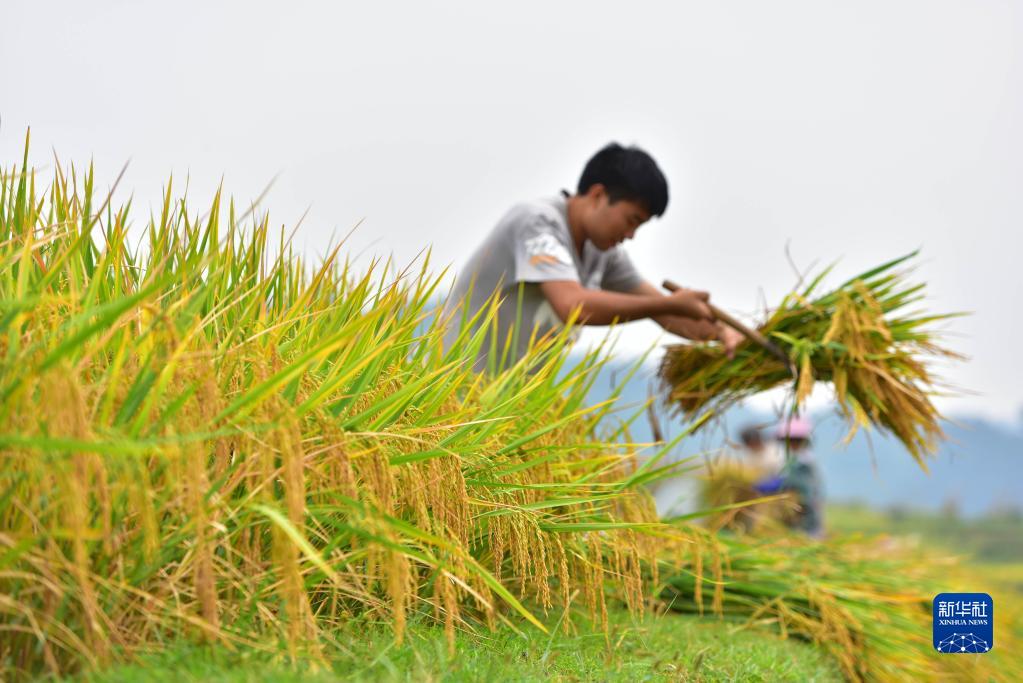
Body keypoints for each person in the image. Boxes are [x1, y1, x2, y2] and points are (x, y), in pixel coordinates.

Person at [442, 142, 743, 372]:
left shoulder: (602, 253)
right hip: (454, 385)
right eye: (631, 220)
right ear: (598, 195)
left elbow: (668, 314)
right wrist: (669, 303)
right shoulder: (537, 223)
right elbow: (571, 304)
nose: (631, 235)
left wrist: (722, 333)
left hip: (503, 403)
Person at [766, 416, 825, 539]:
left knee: (807, 534)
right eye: (789, 441)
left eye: (796, 441)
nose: (792, 444)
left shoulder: (805, 461)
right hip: (792, 506)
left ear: (803, 441)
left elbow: (800, 483)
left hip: (806, 505)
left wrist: (780, 483)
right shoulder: (789, 458)